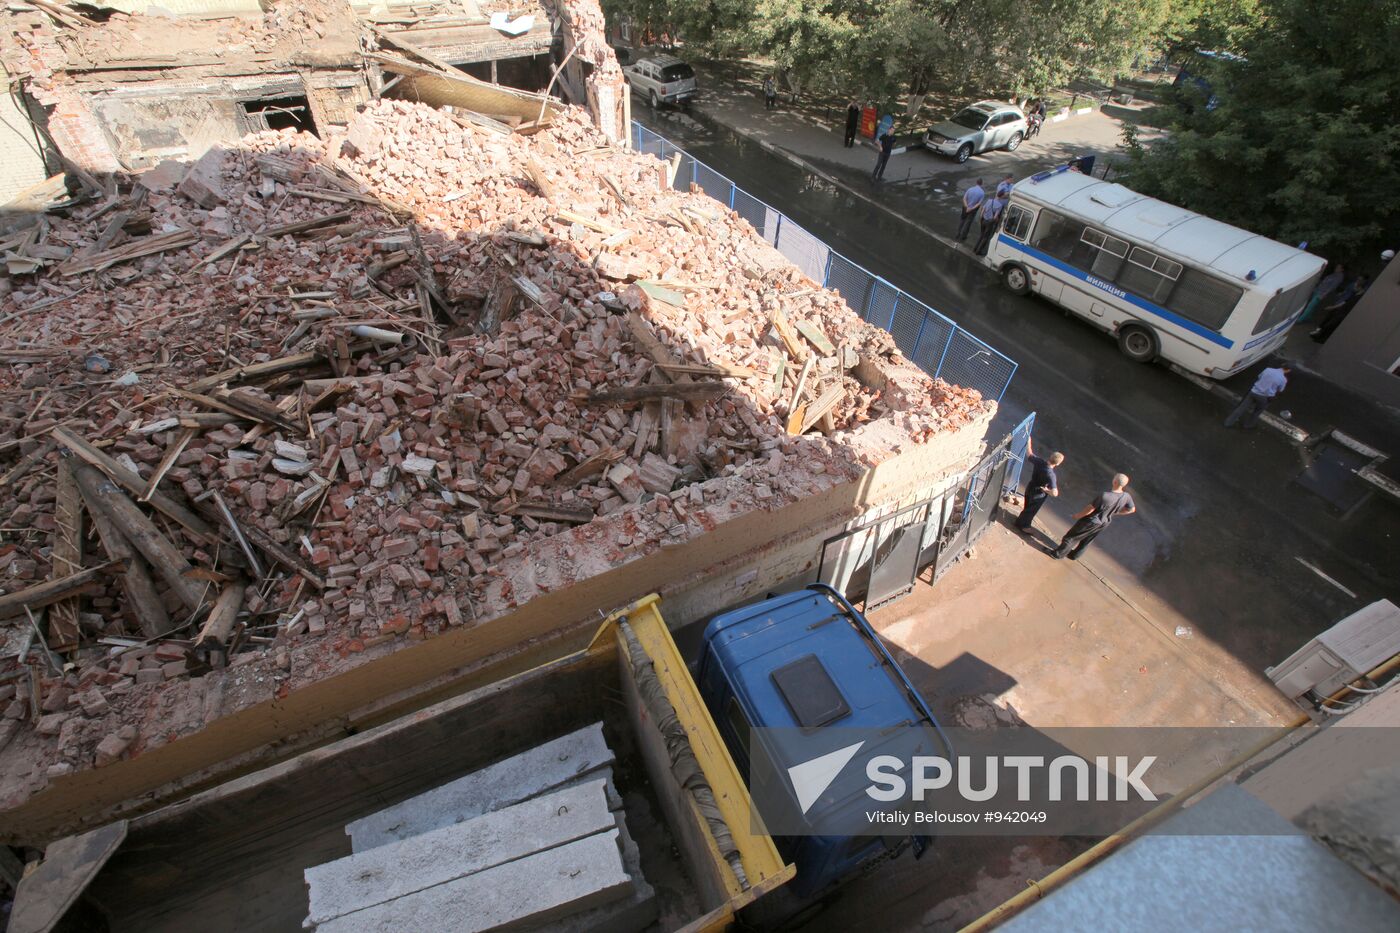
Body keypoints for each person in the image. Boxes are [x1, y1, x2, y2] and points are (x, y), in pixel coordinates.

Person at [1053, 474, 1136, 560]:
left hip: (1091, 521)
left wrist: (1077, 516)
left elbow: (1090, 509)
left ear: (1114, 482)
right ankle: (1074, 555)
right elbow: (1131, 509)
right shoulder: (1126, 496)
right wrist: (1116, 512)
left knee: (1071, 537)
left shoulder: (1105, 496)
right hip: (1104, 523)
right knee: (1087, 541)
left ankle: (1057, 554)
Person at [1015, 438, 1064, 533]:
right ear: (1057, 464)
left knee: (1027, 505)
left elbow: (1029, 453)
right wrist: (1046, 490)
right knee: (1031, 510)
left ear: (1050, 457)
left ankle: (1021, 521)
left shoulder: (1039, 462)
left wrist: (1029, 441)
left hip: (1031, 486)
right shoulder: (1051, 475)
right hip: (1038, 493)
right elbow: (1055, 493)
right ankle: (1023, 525)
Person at [1223, 363, 1291, 429]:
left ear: (1282, 365)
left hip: (1253, 392)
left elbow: (1259, 377)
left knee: (1241, 408)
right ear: (1288, 370)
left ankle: (1228, 422)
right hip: (1265, 398)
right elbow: (1280, 390)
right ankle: (1248, 425)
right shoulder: (1283, 379)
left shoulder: (1268, 369)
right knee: (1257, 411)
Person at [1311, 273, 1369, 343]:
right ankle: (1319, 332)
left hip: (1344, 310)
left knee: (1332, 323)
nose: (1358, 281)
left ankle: (1321, 336)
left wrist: (1333, 307)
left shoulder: (1359, 295)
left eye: (1360, 280)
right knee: (1328, 320)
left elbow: (1346, 302)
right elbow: (1345, 297)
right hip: (1341, 306)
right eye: (1358, 279)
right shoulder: (1353, 289)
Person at [973, 191, 1007, 257]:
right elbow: (995, 217)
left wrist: (981, 218)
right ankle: (978, 251)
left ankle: (975, 248)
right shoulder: (999, 205)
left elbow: (983, 210)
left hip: (983, 220)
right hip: (989, 222)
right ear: (1002, 196)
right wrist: (996, 221)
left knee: (981, 235)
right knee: (985, 237)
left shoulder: (989, 201)